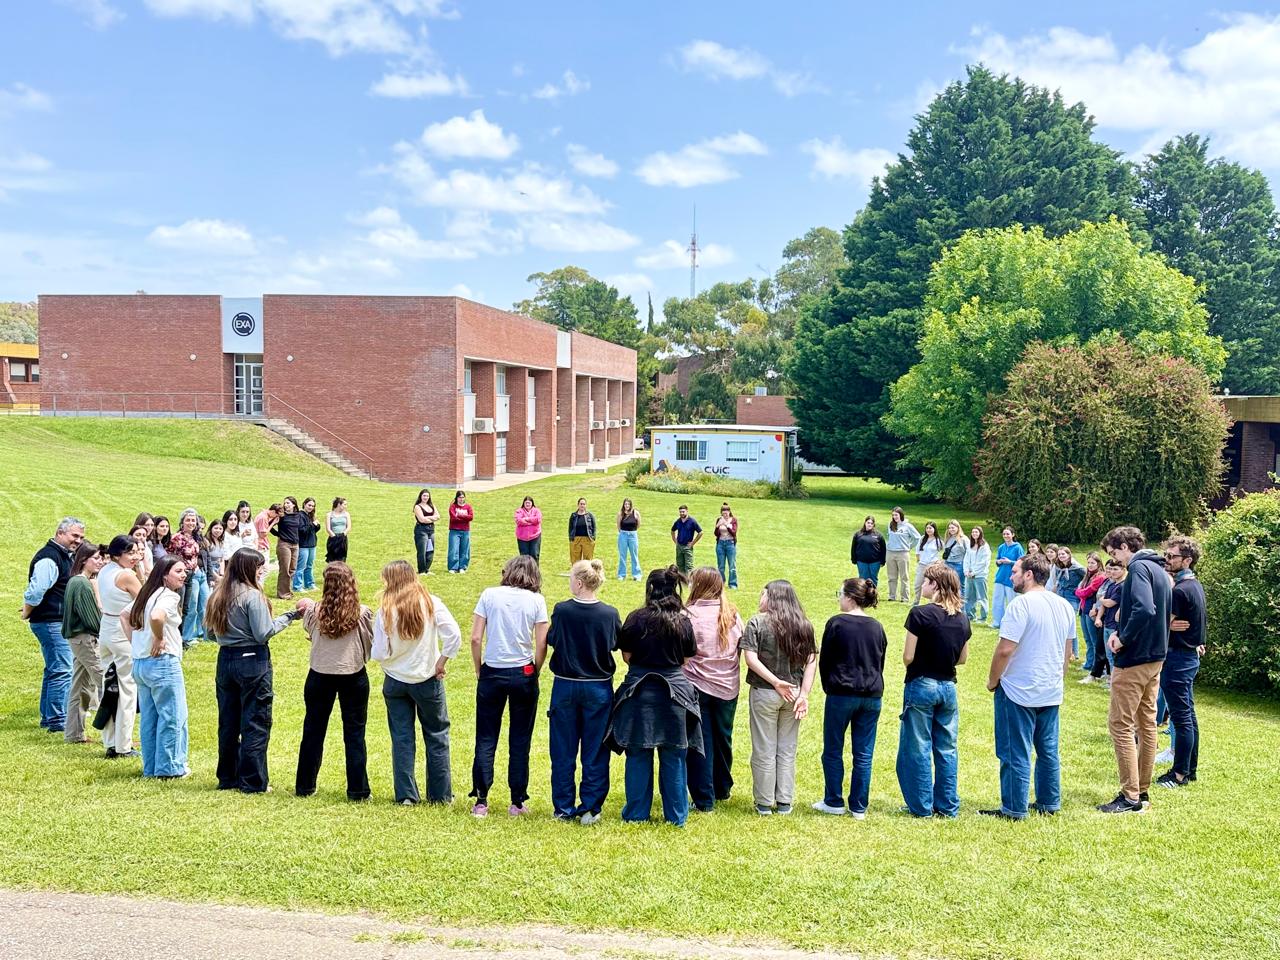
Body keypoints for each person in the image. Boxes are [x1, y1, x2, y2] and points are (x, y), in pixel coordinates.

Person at [979, 553, 1075, 820]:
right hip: (1050, 688)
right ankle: (1048, 802)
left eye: (1015, 572)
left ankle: (1014, 808)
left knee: (1014, 750)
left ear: (1029, 574)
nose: (1011, 576)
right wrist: (1058, 678)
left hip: (1018, 688)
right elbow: (1067, 652)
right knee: (1048, 750)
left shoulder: (1021, 605)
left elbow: (1004, 650)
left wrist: (992, 680)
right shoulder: (1064, 605)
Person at [205, 548, 308, 793]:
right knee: (255, 719)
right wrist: (289, 616)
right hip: (252, 659)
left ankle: (228, 776)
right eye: (259, 566)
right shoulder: (252, 596)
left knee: (228, 722)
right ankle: (252, 781)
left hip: (225, 660)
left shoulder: (217, 594)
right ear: (249, 568)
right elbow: (263, 633)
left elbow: (209, 632)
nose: (262, 570)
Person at [608, 567, 700, 826]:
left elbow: (626, 656)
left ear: (650, 589)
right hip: (675, 694)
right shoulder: (682, 621)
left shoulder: (636, 618)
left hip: (639, 691)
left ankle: (636, 814)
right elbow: (685, 658)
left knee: (638, 753)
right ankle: (676, 815)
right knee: (674, 754)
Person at [373, 560, 462, 806]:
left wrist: (393, 657)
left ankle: (406, 794)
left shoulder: (385, 610)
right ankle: (441, 795)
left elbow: (379, 651)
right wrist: (442, 661)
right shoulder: (431, 603)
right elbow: (454, 635)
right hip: (426, 678)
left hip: (395, 679)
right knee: (437, 735)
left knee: (402, 738)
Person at [468, 556, 549, 816]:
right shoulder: (536, 600)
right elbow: (541, 643)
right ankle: (517, 800)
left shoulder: (489, 595)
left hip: (493, 670)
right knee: (520, 738)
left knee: (486, 736)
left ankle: (481, 799)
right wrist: (535, 669)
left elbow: (476, 637)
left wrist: (480, 668)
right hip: (522, 671)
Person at [1098, 526, 1170, 814]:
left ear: (1126, 546)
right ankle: (1141, 790)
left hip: (1135, 658)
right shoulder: (1160, 569)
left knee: (1121, 725)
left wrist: (1122, 637)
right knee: (1146, 724)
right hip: (1155, 658)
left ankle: (1130, 796)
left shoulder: (1139, 568)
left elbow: (1145, 608)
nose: (1116, 559)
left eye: (1115, 553)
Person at [546, 559, 621, 822]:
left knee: (563, 749)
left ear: (579, 582)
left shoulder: (562, 611)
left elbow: (551, 639)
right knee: (595, 750)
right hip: (598, 687)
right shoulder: (610, 614)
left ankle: (563, 807)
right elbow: (615, 644)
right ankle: (590, 807)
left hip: (566, 684)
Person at [296, 561, 375, 801]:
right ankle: (358, 790)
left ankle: (305, 785)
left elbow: (311, 636)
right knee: (354, 734)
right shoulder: (362, 613)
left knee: (313, 730)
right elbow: (368, 644)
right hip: (353, 674)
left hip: (320, 674)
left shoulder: (314, 611)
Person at [896, 562, 970, 818]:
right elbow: (962, 659)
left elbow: (908, 656)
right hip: (948, 686)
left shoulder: (920, 614)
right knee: (947, 747)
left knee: (917, 747)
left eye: (927, 581)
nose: (923, 585)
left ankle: (921, 805)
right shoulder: (962, 618)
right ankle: (947, 805)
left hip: (921, 683)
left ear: (936, 586)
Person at [812, 577, 887, 819]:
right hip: (871, 694)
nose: (838, 598)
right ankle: (858, 806)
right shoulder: (876, 626)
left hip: (842, 693)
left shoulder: (837, 623)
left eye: (840, 594)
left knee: (833, 749)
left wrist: (829, 687)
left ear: (850, 598)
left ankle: (833, 800)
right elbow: (880, 661)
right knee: (863, 753)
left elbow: (826, 660)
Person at [742, 580, 818, 816]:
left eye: (763, 594)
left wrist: (775, 682)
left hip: (765, 692)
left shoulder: (756, 622)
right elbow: (811, 662)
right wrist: (804, 694)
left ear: (772, 598)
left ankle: (764, 802)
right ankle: (784, 801)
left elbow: (750, 659)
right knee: (787, 749)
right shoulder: (803, 625)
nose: (759, 598)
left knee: (764, 747)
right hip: (793, 693)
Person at [683, 567, 744, 812]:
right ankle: (722, 787)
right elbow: (741, 647)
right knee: (722, 738)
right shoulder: (732, 614)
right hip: (728, 686)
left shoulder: (688, 614)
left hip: (697, 685)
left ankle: (704, 797)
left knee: (700, 742)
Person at [128, 555, 190, 779]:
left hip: (141, 664)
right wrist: (159, 637)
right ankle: (170, 768)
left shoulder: (147, 593)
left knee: (150, 718)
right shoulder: (168, 596)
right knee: (173, 715)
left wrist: (136, 644)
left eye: (184, 571)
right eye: (178, 571)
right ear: (165, 574)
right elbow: (156, 616)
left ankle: (151, 767)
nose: (184, 575)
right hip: (163, 663)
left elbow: (125, 615)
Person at [22, 517, 85, 733]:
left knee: (54, 670)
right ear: (60, 533)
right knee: (62, 670)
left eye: (81, 537)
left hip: (53, 621)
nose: (78, 540)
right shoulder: (50, 557)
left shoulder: (63, 556)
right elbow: (36, 590)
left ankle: (50, 718)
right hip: (50, 621)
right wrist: (28, 610)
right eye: (74, 536)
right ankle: (58, 720)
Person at [1158, 535, 1206, 788]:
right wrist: (1169, 624)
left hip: (1178, 659)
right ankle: (1190, 770)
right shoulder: (1194, 585)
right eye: (1166, 555)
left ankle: (1179, 775)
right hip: (1186, 658)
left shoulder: (1181, 590)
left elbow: (1158, 624)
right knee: (1188, 715)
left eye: (1172, 556)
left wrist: (1165, 624)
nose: (1167, 559)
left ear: (1187, 560)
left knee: (1181, 718)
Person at [98, 535, 143, 759]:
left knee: (108, 685)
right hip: (121, 629)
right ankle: (123, 745)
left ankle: (110, 740)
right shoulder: (126, 575)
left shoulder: (106, 570)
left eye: (136, 552)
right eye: (130, 553)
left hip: (106, 627)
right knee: (127, 688)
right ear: (117, 555)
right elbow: (147, 599)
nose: (135, 557)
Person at [61, 541, 107, 745]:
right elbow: (91, 619)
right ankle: (115, 736)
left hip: (78, 639)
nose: (100, 562)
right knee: (106, 682)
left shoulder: (77, 581)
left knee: (80, 687)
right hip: (85, 639)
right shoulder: (80, 583)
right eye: (95, 558)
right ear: (83, 560)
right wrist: (104, 632)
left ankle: (74, 734)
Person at [1086, 559, 1125, 685]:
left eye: (1116, 569)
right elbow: (1104, 605)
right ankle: (1111, 680)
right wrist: (1098, 618)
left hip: (1115, 625)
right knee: (1108, 655)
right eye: (1111, 569)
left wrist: (1101, 599)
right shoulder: (1111, 585)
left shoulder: (1122, 586)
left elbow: (1109, 602)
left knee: (1114, 656)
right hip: (1106, 623)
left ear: (1123, 570)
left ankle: (1115, 682)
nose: (1112, 572)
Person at [170, 509, 203, 646]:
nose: (191, 523)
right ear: (182, 522)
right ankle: (176, 637)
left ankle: (185, 637)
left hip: (193, 574)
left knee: (190, 607)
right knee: (179, 606)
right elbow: (171, 555)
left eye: (193, 520)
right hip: (181, 576)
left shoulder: (195, 537)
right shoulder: (177, 537)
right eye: (188, 520)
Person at [1073, 552, 1107, 674]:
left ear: (1098, 564)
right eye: (1088, 563)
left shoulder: (1100, 577)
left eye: (1093, 563)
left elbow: (1084, 592)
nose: (1090, 565)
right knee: (1087, 638)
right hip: (1083, 609)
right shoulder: (1087, 576)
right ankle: (1089, 662)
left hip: (1091, 610)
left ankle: (1097, 666)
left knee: (1094, 640)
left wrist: (1079, 591)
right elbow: (1079, 589)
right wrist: (1079, 591)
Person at [1051, 547, 1086, 659]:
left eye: (1063, 554)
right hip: (1061, 595)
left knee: (1070, 624)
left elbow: (1087, 576)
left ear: (1069, 554)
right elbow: (1057, 580)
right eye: (1060, 554)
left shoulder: (1076, 567)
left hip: (1072, 597)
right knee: (1061, 624)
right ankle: (1064, 651)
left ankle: (1074, 652)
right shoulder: (1058, 567)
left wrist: (1079, 588)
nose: (1061, 556)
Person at [270, 496, 305, 600]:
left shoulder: (298, 516)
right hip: (284, 544)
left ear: (294, 504)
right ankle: (282, 593)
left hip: (295, 545)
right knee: (284, 569)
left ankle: (287, 591)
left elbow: (301, 529)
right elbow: (269, 526)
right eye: (285, 503)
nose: (286, 505)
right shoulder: (281, 516)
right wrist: (279, 534)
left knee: (292, 569)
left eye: (288, 503)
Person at [991, 527, 1023, 631]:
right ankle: (997, 622)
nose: (1006, 536)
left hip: (1011, 578)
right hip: (1000, 577)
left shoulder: (1018, 547)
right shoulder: (1001, 547)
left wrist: (1010, 562)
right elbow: (997, 560)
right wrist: (998, 561)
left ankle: (1011, 623)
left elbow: (1021, 563)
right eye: (1004, 534)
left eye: (1008, 534)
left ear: (1013, 535)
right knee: (997, 601)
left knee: (1011, 601)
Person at [885, 508, 920, 602]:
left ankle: (905, 597)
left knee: (904, 576)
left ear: (901, 515)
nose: (894, 517)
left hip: (903, 553)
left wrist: (909, 546)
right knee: (891, 576)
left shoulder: (908, 526)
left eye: (896, 515)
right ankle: (892, 596)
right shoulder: (890, 525)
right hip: (890, 552)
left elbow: (917, 538)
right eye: (893, 515)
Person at [963, 526, 992, 623]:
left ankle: (983, 617)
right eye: (973, 532)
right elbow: (966, 559)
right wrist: (966, 571)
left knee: (982, 597)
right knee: (969, 596)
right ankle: (970, 616)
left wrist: (974, 572)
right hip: (969, 575)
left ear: (980, 534)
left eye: (976, 532)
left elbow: (983, 562)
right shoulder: (970, 546)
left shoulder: (984, 546)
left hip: (980, 575)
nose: (974, 534)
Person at [292, 497, 321, 593]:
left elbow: (313, 530)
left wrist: (316, 525)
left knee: (309, 565)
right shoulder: (300, 515)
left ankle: (309, 583)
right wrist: (313, 524)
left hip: (312, 544)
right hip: (303, 545)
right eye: (309, 505)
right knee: (301, 566)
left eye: (313, 506)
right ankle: (297, 586)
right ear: (304, 504)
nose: (311, 507)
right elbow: (302, 530)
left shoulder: (310, 515)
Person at [913, 522, 943, 605]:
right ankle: (916, 602)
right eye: (927, 528)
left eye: (930, 528)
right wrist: (918, 559)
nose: (928, 530)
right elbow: (917, 550)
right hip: (922, 565)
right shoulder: (922, 538)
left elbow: (944, 552)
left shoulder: (938, 540)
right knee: (917, 584)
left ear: (934, 529)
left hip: (932, 566)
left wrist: (939, 561)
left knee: (932, 584)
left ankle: (931, 602)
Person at [851, 515, 886, 584]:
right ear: (865, 523)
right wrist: (853, 559)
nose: (869, 524)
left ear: (873, 524)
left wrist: (883, 561)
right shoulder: (858, 534)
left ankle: (873, 594)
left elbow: (883, 549)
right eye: (868, 522)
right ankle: (863, 594)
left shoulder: (879, 535)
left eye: (871, 523)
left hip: (875, 562)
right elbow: (853, 547)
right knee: (863, 579)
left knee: (873, 579)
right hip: (861, 561)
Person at [712, 502, 739, 589]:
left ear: (729, 512)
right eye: (723, 513)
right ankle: (721, 583)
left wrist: (727, 525)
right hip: (720, 544)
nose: (725, 515)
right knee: (721, 566)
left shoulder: (733, 520)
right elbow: (716, 534)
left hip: (730, 544)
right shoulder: (719, 519)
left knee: (732, 566)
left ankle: (733, 584)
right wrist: (717, 526)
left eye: (726, 513)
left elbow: (734, 533)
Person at [412, 489, 439, 575]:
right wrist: (432, 518)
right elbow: (421, 519)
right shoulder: (417, 507)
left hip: (431, 531)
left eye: (427, 496)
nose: (426, 497)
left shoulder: (431, 505)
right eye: (424, 495)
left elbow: (438, 516)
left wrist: (428, 519)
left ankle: (427, 569)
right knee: (422, 551)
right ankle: (422, 570)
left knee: (430, 550)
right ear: (420, 496)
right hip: (421, 531)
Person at [671, 504, 703, 575]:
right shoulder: (678, 521)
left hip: (687, 547)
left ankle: (689, 582)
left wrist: (692, 543)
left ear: (687, 511)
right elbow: (672, 530)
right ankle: (682, 582)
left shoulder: (692, 521)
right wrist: (675, 540)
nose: (681, 513)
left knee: (689, 567)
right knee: (679, 565)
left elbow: (700, 532)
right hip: (679, 546)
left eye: (683, 512)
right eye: (680, 512)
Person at [447, 491, 474, 574]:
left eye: (462, 497)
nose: (461, 499)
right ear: (456, 498)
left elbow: (471, 517)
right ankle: (453, 567)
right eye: (459, 497)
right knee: (454, 548)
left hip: (465, 530)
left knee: (465, 549)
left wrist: (459, 515)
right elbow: (453, 518)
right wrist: (464, 518)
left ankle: (462, 567)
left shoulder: (468, 507)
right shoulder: (453, 506)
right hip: (454, 530)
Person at [616, 498, 641, 581]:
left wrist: (632, 531)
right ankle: (621, 575)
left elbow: (638, 525)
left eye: (628, 504)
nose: (627, 506)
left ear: (631, 505)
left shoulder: (635, 513)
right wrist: (623, 533)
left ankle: (637, 575)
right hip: (623, 535)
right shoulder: (620, 514)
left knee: (634, 555)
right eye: (625, 504)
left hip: (633, 535)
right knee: (622, 555)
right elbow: (618, 526)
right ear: (623, 505)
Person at [941, 520, 967, 595]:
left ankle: (961, 606)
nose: (951, 529)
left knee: (960, 586)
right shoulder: (948, 538)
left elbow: (969, 552)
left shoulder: (963, 539)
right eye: (949, 528)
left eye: (953, 528)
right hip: (948, 564)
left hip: (959, 564)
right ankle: (950, 604)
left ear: (958, 528)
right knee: (948, 585)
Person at [569, 497, 597, 565]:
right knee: (575, 560)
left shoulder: (590, 515)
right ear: (578, 505)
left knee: (587, 560)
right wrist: (571, 538)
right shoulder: (573, 515)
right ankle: (576, 574)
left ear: (586, 505)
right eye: (581, 504)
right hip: (576, 539)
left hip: (587, 539)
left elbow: (594, 527)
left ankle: (586, 574)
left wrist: (593, 537)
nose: (582, 505)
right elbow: (570, 527)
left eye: (584, 504)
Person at [515, 496, 543, 562]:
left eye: (529, 503)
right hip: (522, 538)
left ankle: (534, 571)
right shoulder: (519, 511)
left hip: (535, 536)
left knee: (534, 554)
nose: (527, 504)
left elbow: (538, 519)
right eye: (526, 503)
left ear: (532, 503)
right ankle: (525, 572)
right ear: (523, 503)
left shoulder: (536, 511)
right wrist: (532, 522)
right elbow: (518, 521)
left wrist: (527, 519)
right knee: (524, 557)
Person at [204, 517, 228, 590]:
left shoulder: (221, 542)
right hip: (210, 571)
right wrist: (216, 576)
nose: (218, 530)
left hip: (218, 570)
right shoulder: (207, 541)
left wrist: (221, 574)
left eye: (220, 529)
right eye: (216, 528)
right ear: (211, 528)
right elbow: (207, 562)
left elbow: (221, 559)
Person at [325, 497, 351, 563]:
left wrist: (342, 535)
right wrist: (334, 537)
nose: (346, 506)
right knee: (332, 558)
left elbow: (349, 527)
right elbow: (328, 528)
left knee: (341, 558)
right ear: (339, 504)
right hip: (333, 538)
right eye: (344, 504)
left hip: (343, 538)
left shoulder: (346, 514)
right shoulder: (329, 514)